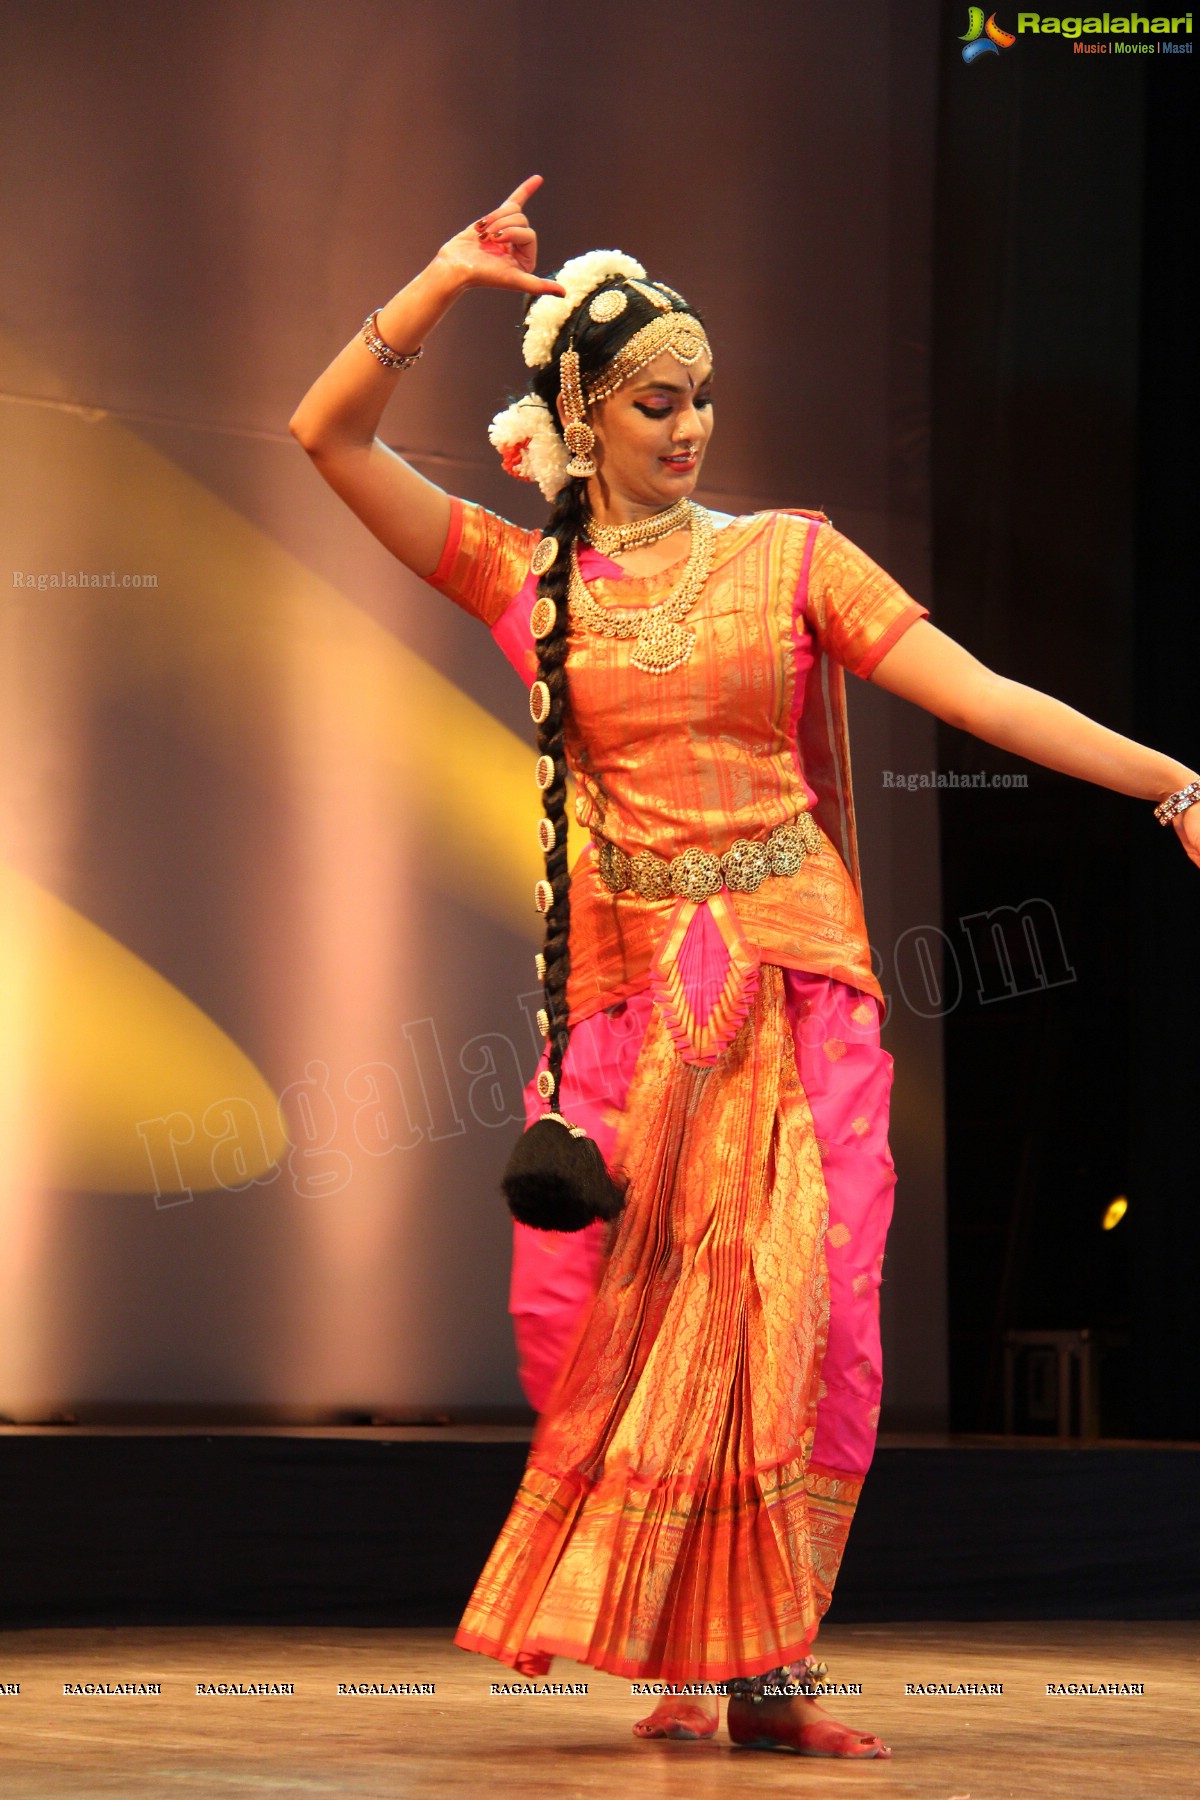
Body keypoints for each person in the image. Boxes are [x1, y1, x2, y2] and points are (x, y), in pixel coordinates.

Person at [290, 175, 1200, 1760]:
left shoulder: (790, 559)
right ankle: (684, 1655)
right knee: (606, 1322)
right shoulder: (531, 583)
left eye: (705, 399)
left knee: (816, 1322)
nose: (693, 427)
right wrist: (436, 285)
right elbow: (329, 439)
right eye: (658, 402)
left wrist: (1173, 781)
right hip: (636, 1010)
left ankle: (769, 1666)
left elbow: (977, 696)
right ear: (580, 411)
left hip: (794, 983)